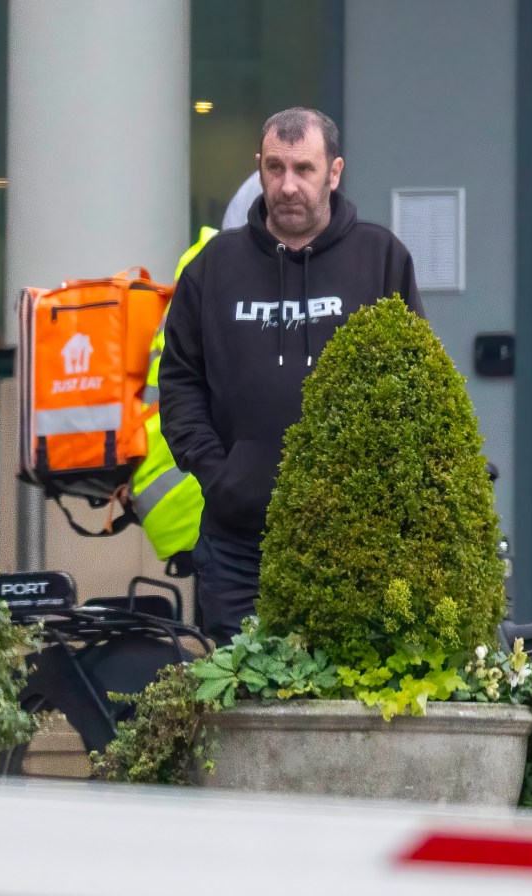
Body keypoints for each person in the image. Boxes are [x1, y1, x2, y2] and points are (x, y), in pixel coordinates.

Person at [159, 107, 424, 645]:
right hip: (238, 541)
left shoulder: (381, 259)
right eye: (274, 168)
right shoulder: (211, 269)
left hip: (352, 540)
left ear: (334, 172)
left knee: (346, 705)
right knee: (241, 701)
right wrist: (219, 473)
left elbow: (414, 383)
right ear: (259, 167)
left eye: (303, 169)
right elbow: (180, 382)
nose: (288, 186)